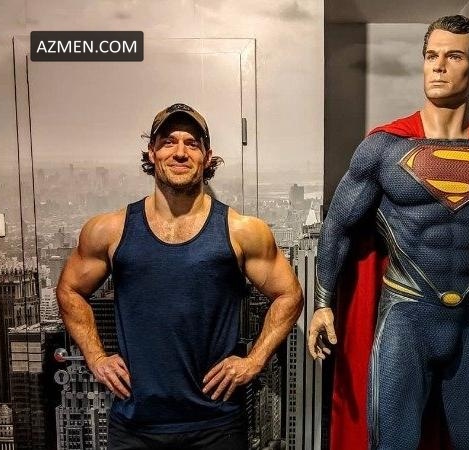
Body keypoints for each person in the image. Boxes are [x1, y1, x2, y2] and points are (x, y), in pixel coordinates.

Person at [308, 15, 469, 450]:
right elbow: (338, 225)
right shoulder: (384, 149)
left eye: (453, 56)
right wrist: (322, 304)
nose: (438, 66)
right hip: (405, 318)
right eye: (431, 56)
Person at [57, 103, 303, 450]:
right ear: (152, 152)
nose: (180, 152)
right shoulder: (109, 230)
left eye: (192, 143)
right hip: (135, 425)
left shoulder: (242, 231)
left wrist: (254, 360)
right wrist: (96, 357)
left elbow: (290, 295)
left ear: (207, 156)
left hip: (216, 426)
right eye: (168, 142)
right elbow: (69, 290)